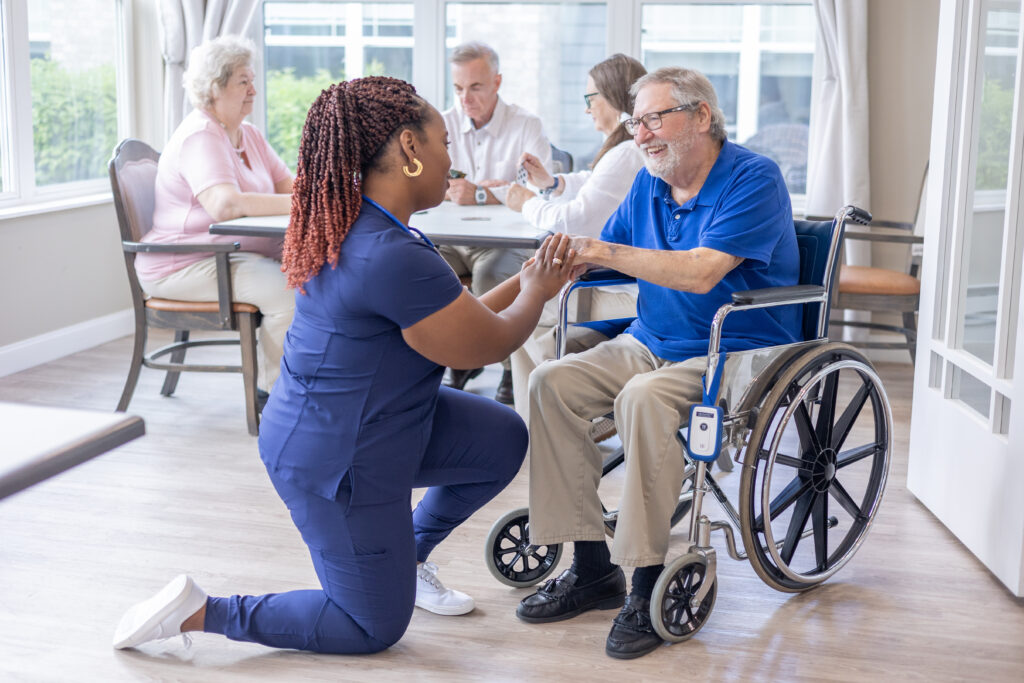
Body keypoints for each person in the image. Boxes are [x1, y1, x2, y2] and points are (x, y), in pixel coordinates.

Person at [113, 77, 578, 655]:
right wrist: (539, 290)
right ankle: (199, 612)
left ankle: (402, 556)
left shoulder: (368, 225)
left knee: (501, 437)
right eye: (443, 144)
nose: (450, 160)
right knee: (371, 626)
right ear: (410, 148)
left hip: (378, 425)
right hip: (335, 461)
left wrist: (531, 274)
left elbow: (462, 320)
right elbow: (483, 346)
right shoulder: (388, 253)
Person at [515, 67, 800, 660]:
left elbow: (699, 273)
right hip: (651, 340)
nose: (640, 134)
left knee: (643, 398)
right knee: (550, 383)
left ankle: (644, 583)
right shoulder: (651, 181)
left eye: (653, 118)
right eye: (634, 122)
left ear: (701, 116)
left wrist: (602, 249)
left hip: (737, 353)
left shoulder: (753, 178)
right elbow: (615, 260)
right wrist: (562, 264)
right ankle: (593, 568)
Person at [135, 35, 294, 399]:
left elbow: (290, 186)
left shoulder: (247, 134)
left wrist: (325, 191)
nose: (254, 89)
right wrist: (306, 203)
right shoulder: (200, 135)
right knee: (291, 294)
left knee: (323, 275)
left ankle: (309, 384)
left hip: (229, 256)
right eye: (243, 81)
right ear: (214, 88)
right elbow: (226, 206)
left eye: (252, 79)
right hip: (184, 264)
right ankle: (273, 398)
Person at [502, 53, 647, 416]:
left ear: (613, 97)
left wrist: (527, 204)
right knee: (518, 321)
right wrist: (553, 183)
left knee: (523, 312)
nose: (587, 109)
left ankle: (565, 403)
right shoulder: (626, 149)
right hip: (617, 278)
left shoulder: (627, 153)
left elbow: (574, 221)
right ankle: (533, 425)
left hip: (622, 285)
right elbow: (595, 185)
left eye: (589, 98)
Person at [440, 41, 554, 403]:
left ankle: (506, 367)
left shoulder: (526, 125)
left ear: (497, 82)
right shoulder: (442, 124)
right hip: (452, 238)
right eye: (458, 88)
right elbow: (430, 183)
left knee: (492, 276)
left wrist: (477, 193)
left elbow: (538, 190)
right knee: (427, 269)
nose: (465, 98)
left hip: (504, 242)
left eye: (475, 87)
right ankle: (455, 355)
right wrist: (486, 190)